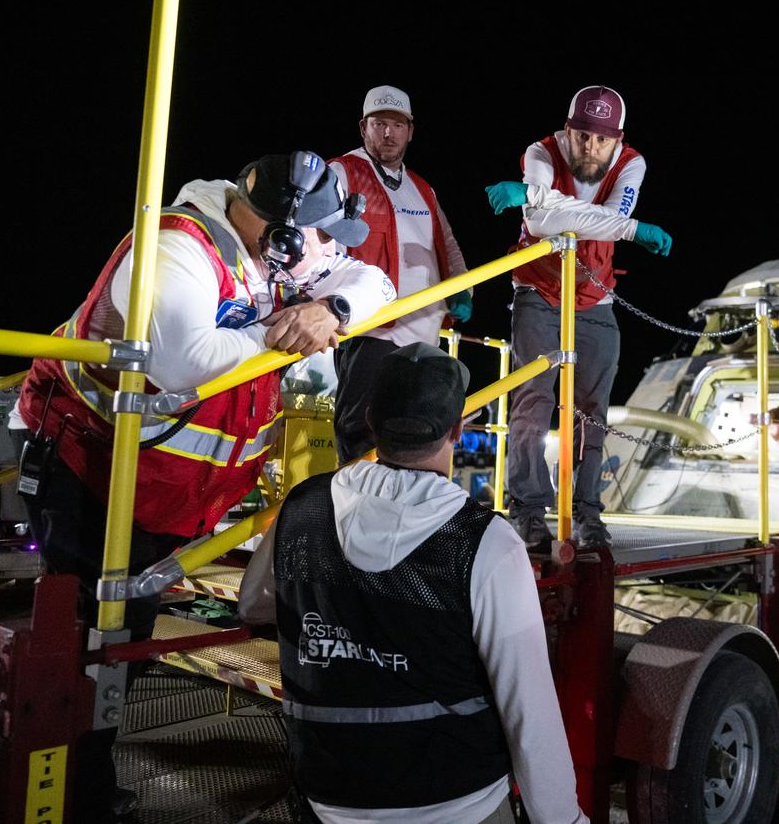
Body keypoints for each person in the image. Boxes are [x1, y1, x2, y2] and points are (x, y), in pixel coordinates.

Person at [14, 150, 393, 821]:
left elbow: (376, 282)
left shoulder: (272, 254)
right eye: (324, 238)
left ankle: (84, 781)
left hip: (161, 486)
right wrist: (292, 334)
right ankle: (67, 792)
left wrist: (331, 305)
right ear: (282, 234)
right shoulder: (175, 251)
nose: (332, 251)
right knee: (89, 644)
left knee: (120, 643)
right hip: (85, 471)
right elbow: (184, 360)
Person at [239, 343, 587, 824]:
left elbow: (253, 605)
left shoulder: (303, 508)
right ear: (457, 430)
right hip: (459, 805)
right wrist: (563, 818)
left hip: (327, 802)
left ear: (368, 419)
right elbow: (529, 708)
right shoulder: (485, 542)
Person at [484, 85, 673, 550]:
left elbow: (569, 215)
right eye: (582, 135)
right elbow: (543, 225)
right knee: (533, 401)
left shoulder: (632, 163)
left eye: (602, 139)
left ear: (618, 139)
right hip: (538, 292)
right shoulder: (540, 152)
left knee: (593, 413)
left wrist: (540, 200)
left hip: (597, 299)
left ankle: (587, 512)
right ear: (567, 130)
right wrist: (622, 227)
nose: (590, 147)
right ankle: (528, 510)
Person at [328, 85, 471, 462]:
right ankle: (355, 508)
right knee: (360, 428)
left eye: (397, 124)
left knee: (416, 429)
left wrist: (462, 289)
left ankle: (404, 511)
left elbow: (448, 243)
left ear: (411, 130)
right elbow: (318, 240)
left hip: (424, 330)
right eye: (379, 124)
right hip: (372, 328)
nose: (388, 133)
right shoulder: (343, 172)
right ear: (363, 128)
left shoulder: (422, 188)